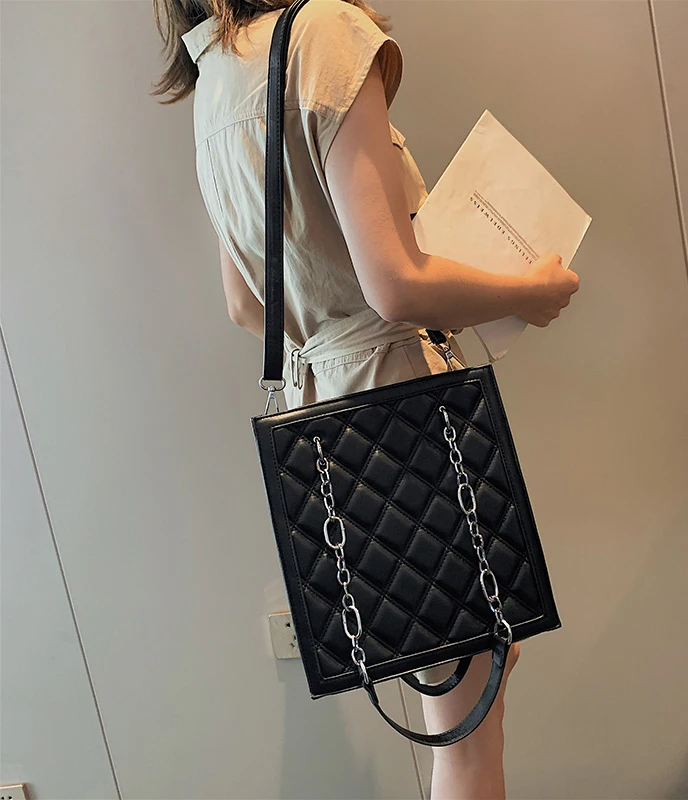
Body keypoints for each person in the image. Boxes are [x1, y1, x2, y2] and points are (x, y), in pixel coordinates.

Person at [152, 1, 579, 797]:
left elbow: (245, 305)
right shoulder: (323, 34)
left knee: (468, 683)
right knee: (468, 738)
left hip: (329, 417)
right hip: (405, 408)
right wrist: (532, 291)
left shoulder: (214, 75)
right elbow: (396, 285)